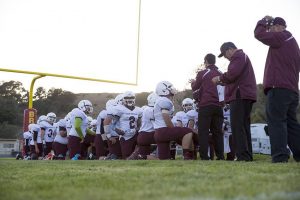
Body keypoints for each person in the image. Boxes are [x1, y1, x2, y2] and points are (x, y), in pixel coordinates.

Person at [254, 16, 300, 163]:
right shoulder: (293, 43)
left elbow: (259, 34)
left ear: (279, 26)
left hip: (279, 88)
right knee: (292, 124)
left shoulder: (282, 37)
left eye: (272, 27)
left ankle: (280, 157)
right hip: (292, 89)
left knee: (276, 122)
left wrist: (263, 21)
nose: (270, 31)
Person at [212, 42, 257, 161]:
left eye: (225, 54)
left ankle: (242, 156)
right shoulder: (243, 56)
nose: (226, 58)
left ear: (230, 50)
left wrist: (219, 78)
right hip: (246, 94)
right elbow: (235, 77)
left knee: (237, 126)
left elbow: (232, 74)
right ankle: (247, 155)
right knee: (244, 126)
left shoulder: (238, 56)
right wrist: (224, 81)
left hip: (239, 94)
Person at [191, 53, 224, 160]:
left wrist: (193, 83)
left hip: (206, 104)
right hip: (219, 106)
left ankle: (205, 156)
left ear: (205, 61)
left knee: (203, 131)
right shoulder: (221, 73)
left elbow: (195, 87)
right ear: (214, 61)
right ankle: (220, 156)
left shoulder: (203, 73)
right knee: (218, 132)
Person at [153, 81, 195, 160]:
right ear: (164, 90)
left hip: (158, 132)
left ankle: (140, 156)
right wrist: (173, 130)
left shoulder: (160, 100)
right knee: (188, 131)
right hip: (163, 130)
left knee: (164, 159)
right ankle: (186, 155)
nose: (172, 89)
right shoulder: (164, 100)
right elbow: (165, 116)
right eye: (170, 88)